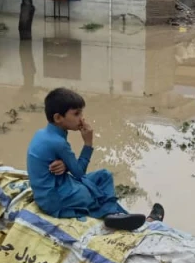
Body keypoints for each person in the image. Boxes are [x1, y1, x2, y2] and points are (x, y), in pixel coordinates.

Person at [27, 88, 163, 231]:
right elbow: (79, 174)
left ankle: (116, 215)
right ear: (58, 118)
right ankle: (138, 222)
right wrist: (88, 143)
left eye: (81, 113)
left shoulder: (42, 133)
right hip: (53, 199)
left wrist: (66, 166)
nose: (82, 118)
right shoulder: (58, 143)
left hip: (60, 184)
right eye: (76, 114)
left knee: (104, 176)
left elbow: (65, 168)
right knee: (90, 193)